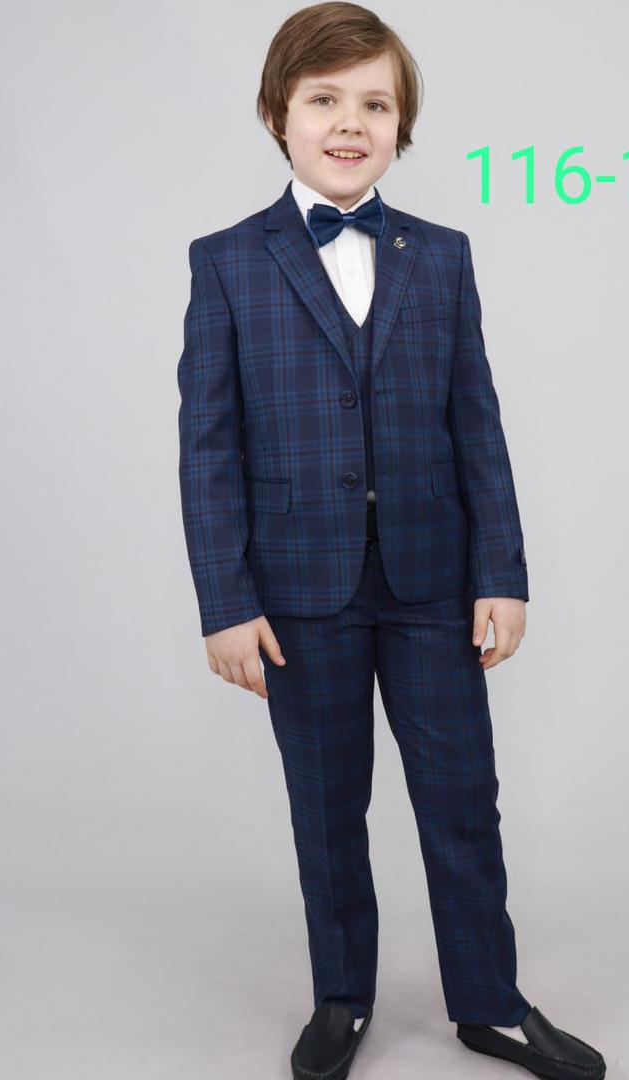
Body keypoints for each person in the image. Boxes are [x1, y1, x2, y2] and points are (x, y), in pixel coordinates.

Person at [177, 4, 606, 1079]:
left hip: (434, 581)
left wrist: (502, 572)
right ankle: (342, 997)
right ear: (279, 115)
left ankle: (491, 1004)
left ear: (401, 126)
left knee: (463, 802)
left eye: (376, 104)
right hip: (297, 591)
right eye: (324, 100)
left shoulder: (443, 258)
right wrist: (226, 601)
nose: (350, 123)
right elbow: (208, 448)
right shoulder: (227, 263)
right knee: (328, 808)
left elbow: (478, 424)